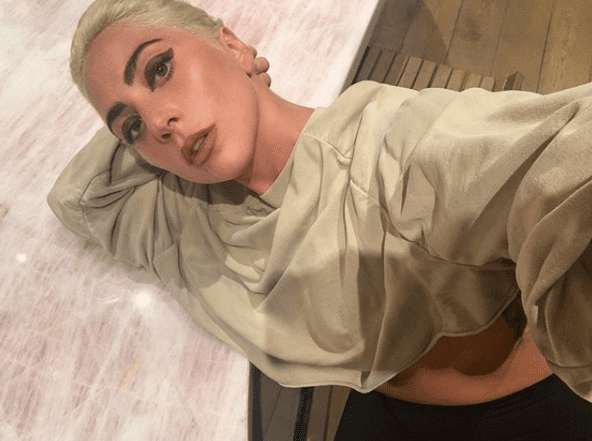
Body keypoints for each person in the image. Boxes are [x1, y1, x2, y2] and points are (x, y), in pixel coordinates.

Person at [49, 0, 592, 439]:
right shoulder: (181, 217)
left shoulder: (388, 148)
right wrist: (162, 106)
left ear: (231, 43)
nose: (159, 123)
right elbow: (77, 198)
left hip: (529, 407)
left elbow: (559, 170)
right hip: (383, 408)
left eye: (160, 69)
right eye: (131, 127)